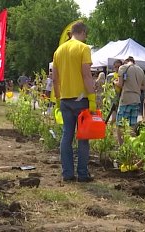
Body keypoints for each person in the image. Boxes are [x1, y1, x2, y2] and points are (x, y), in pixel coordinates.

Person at [52, 22, 95, 182]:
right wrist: (92, 99)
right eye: (86, 35)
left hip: (64, 99)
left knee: (66, 136)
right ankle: (82, 174)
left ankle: (67, 174)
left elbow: (55, 79)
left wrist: (57, 99)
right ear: (82, 32)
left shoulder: (58, 51)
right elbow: (86, 75)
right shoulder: (83, 48)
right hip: (81, 98)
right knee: (83, 138)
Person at [114, 56, 145, 145]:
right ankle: (131, 146)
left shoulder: (123, 67)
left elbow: (120, 84)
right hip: (136, 99)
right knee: (132, 125)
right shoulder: (140, 70)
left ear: (126, 61)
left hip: (126, 99)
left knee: (120, 124)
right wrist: (135, 87)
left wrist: (115, 82)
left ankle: (121, 146)